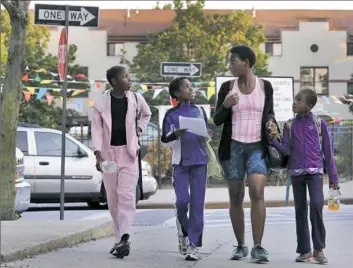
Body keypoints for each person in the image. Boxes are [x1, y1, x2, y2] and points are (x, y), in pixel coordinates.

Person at [213, 45, 275, 263]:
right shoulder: (227, 87)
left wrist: (272, 124)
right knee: (236, 196)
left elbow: (270, 114)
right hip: (233, 149)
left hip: (257, 147)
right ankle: (240, 246)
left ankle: (258, 246)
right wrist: (226, 105)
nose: (230, 65)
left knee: (257, 192)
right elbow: (217, 120)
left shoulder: (265, 86)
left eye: (233, 61)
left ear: (246, 63)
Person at [268, 88, 339, 264]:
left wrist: (333, 179)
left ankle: (319, 249)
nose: (295, 102)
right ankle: (305, 250)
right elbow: (286, 150)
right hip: (296, 173)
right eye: (295, 99)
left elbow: (328, 153)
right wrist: (273, 140)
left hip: (315, 173)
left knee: (316, 206)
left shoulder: (319, 124)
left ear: (309, 105)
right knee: (300, 210)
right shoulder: (289, 125)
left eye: (299, 101)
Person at [91, 66, 151, 258]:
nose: (129, 79)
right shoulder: (101, 102)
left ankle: (125, 235)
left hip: (128, 153)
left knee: (126, 195)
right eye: (125, 76)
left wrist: (138, 130)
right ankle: (119, 240)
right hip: (108, 155)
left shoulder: (135, 98)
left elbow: (146, 114)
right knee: (113, 198)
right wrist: (98, 155)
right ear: (114, 81)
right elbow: (97, 130)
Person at [161, 77, 210, 261]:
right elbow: (164, 140)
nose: (191, 89)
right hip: (180, 163)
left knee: (197, 205)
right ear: (176, 93)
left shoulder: (200, 110)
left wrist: (207, 133)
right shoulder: (171, 114)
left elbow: (207, 132)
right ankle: (183, 231)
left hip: (200, 162)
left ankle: (194, 245)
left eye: (191, 86)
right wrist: (175, 134)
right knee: (182, 202)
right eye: (186, 87)